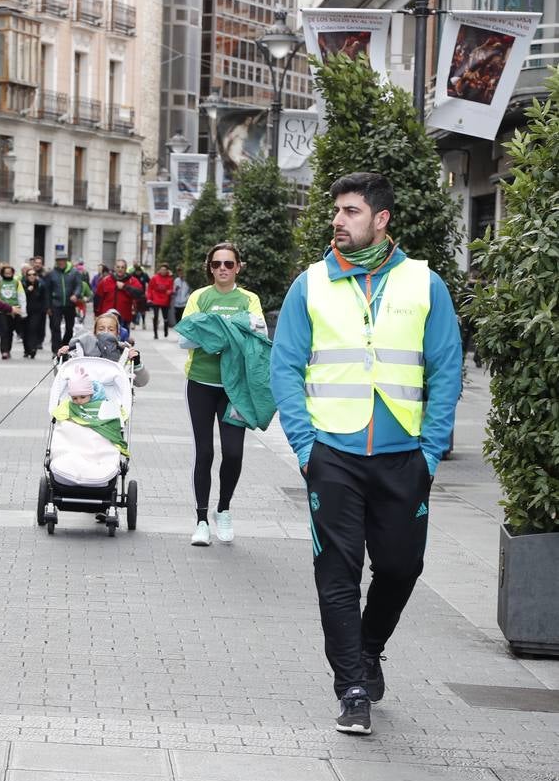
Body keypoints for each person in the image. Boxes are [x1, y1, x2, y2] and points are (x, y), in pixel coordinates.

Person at [270, 172, 461, 736]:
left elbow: (446, 370)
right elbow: (286, 366)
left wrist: (431, 452)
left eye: (351, 211)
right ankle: (351, 686)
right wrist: (305, 447)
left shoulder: (426, 284)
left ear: (381, 219)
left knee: (402, 567)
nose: (338, 220)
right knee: (337, 572)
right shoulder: (310, 284)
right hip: (333, 454)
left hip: (405, 456)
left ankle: (370, 646)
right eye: (336, 211)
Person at [178, 242, 265, 548]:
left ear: (238, 267)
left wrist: (211, 329)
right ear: (210, 267)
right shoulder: (199, 296)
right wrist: (231, 329)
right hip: (201, 383)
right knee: (204, 452)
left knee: (234, 453)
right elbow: (185, 339)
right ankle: (201, 520)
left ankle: (223, 509)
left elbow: (258, 333)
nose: (223, 269)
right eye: (217, 264)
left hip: (235, 388)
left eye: (229, 264)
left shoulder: (249, 298)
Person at [44, 256, 84, 350]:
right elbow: (47, 291)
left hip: (70, 304)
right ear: (56, 262)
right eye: (59, 260)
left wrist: (76, 294)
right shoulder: (51, 274)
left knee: (69, 328)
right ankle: (56, 349)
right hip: (55, 304)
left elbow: (79, 285)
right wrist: (48, 307)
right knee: (55, 327)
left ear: (66, 261)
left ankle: (65, 345)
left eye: (62, 260)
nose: (61, 262)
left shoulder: (74, 272)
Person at [0, 264, 26, 360]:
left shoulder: (17, 282)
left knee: (10, 331)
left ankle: (8, 350)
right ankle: (4, 351)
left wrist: (23, 311)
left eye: (9, 272)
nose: (8, 274)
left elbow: (21, 296)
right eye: (6, 272)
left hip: (15, 310)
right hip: (2, 310)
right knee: (4, 331)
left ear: (12, 273)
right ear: (2, 273)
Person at [20, 267, 49, 359]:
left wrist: (45, 309)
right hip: (25, 311)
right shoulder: (23, 284)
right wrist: (28, 290)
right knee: (25, 330)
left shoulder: (40, 285)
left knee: (33, 329)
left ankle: (33, 349)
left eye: (34, 274)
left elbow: (45, 297)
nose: (32, 276)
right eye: (29, 275)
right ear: (26, 276)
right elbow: (20, 296)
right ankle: (26, 349)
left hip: (37, 312)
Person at [147, 264, 176, 339]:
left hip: (165, 300)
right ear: (159, 270)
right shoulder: (154, 278)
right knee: (155, 317)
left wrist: (170, 291)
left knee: (165, 317)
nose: (163, 271)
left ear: (167, 271)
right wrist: (149, 298)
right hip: (156, 299)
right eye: (161, 269)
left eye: (164, 270)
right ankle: (155, 333)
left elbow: (172, 288)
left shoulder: (170, 279)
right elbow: (150, 288)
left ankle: (166, 330)